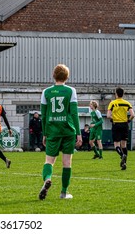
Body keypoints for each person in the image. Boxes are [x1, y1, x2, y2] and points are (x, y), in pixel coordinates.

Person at [38, 64, 82, 200]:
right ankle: (64, 193)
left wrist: (44, 133)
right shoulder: (71, 91)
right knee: (67, 162)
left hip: (52, 130)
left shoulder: (46, 92)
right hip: (68, 131)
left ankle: (48, 179)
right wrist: (79, 134)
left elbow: (43, 115)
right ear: (67, 77)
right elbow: (74, 113)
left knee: (49, 161)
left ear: (53, 75)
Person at [107, 87, 135, 170]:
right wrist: (128, 121)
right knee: (124, 145)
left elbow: (108, 116)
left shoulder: (112, 103)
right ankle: (124, 163)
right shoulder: (127, 103)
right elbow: (132, 115)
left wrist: (113, 118)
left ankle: (122, 155)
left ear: (116, 94)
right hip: (124, 125)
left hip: (116, 125)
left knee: (116, 145)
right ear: (123, 94)